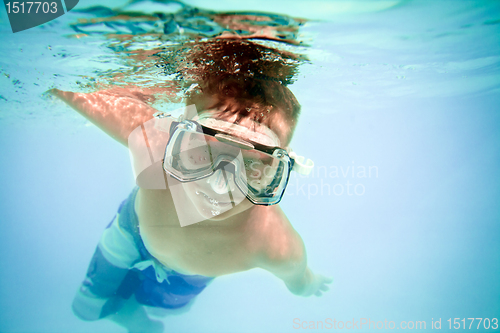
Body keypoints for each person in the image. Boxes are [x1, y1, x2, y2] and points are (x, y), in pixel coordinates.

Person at [53, 38, 331, 333]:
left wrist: (308, 283)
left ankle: (135, 313)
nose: (219, 186)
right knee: (85, 310)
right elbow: (66, 84)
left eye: (250, 166)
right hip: (132, 231)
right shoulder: (158, 144)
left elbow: (298, 278)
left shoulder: (275, 246)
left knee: (170, 312)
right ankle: (125, 312)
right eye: (202, 154)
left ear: (279, 170)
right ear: (175, 137)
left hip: (187, 275)